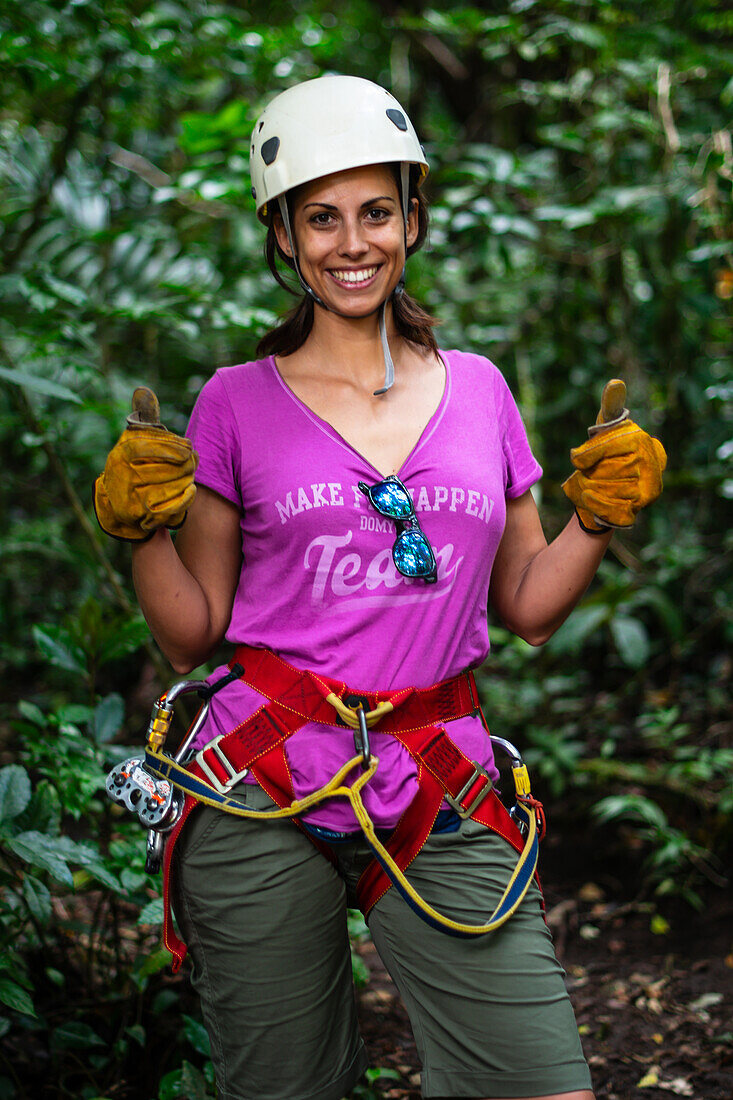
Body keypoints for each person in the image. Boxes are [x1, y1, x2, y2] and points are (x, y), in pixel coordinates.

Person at [94, 75, 666, 1100]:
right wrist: (141, 529)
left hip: (436, 771)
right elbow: (192, 636)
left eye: (373, 211)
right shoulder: (234, 403)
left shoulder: (482, 388)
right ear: (282, 233)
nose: (349, 243)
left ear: (411, 217)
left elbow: (529, 607)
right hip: (260, 774)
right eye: (320, 217)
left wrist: (601, 513)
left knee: (544, 1085)